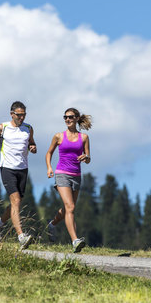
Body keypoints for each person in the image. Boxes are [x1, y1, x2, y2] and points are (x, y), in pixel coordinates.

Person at [0, 101, 37, 250]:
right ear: (12, 114)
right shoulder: (2, 127)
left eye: (24, 115)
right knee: (15, 200)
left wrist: (33, 147)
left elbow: (31, 143)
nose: (21, 118)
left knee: (17, 202)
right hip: (7, 168)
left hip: (23, 169)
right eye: (19, 115)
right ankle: (21, 236)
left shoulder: (28, 128)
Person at [45, 108, 92, 253]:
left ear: (77, 118)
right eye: (65, 117)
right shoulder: (58, 136)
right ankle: (75, 240)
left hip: (76, 175)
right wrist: (49, 168)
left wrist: (85, 157)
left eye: (70, 117)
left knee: (68, 208)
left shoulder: (83, 137)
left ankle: (52, 225)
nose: (67, 119)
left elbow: (88, 159)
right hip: (62, 174)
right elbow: (49, 152)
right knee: (70, 207)